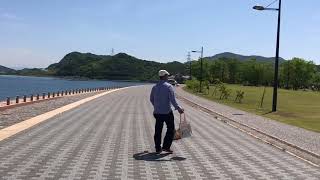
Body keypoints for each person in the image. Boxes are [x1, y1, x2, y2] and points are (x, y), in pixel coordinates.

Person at [150, 70, 184, 154]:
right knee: (171, 129)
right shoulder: (169, 86)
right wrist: (178, 108)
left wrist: (156, 106)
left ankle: (158, 148)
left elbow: (151, 99)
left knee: (158, 130)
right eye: (167, 76)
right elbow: (172, 100)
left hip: (157, 112)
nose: (168, 77)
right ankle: (166, 147)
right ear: (165, 76)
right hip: (167, 112)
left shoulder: (155, 87)